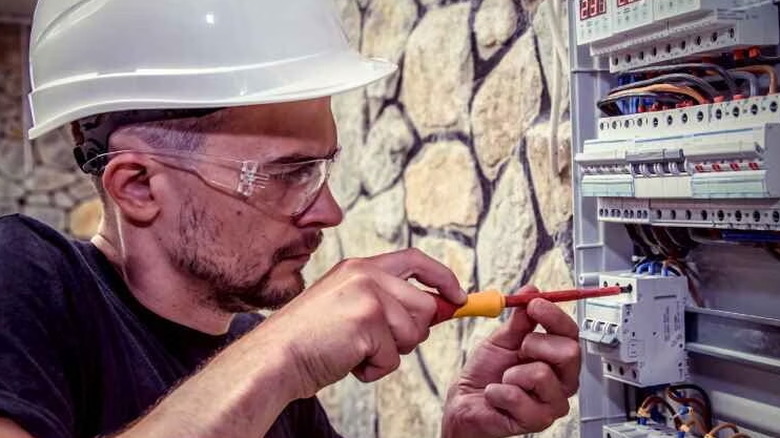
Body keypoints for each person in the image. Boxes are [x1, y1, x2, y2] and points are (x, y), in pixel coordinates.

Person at [0, 1, 581, 437]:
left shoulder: (257, 362)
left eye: (322, 170)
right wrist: (287, 353)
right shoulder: (25, 277)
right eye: (286, 174)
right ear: (139, 186)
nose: (329, 212)